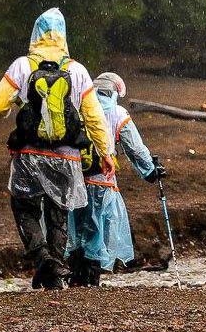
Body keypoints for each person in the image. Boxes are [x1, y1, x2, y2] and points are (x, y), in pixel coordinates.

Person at [0, 8, 115, 290]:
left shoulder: (22, 66)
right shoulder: (77, 70)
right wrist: (105, 152)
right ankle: (54, 272)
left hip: (29, 156)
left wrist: (18, 103)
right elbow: (93, 117)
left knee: (24, 208)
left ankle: (43, 259)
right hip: (67, 157)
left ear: (36, 33)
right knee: (58, 214)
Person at [65, 72, 167, 286]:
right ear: (114, 92)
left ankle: (75, 277)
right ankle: (90, 281)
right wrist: (150, 171)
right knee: (95, 229)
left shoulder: (79, 107)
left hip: (75, 179)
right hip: (101, 179)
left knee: (76, 227)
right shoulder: (117, 113)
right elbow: (135, 148)